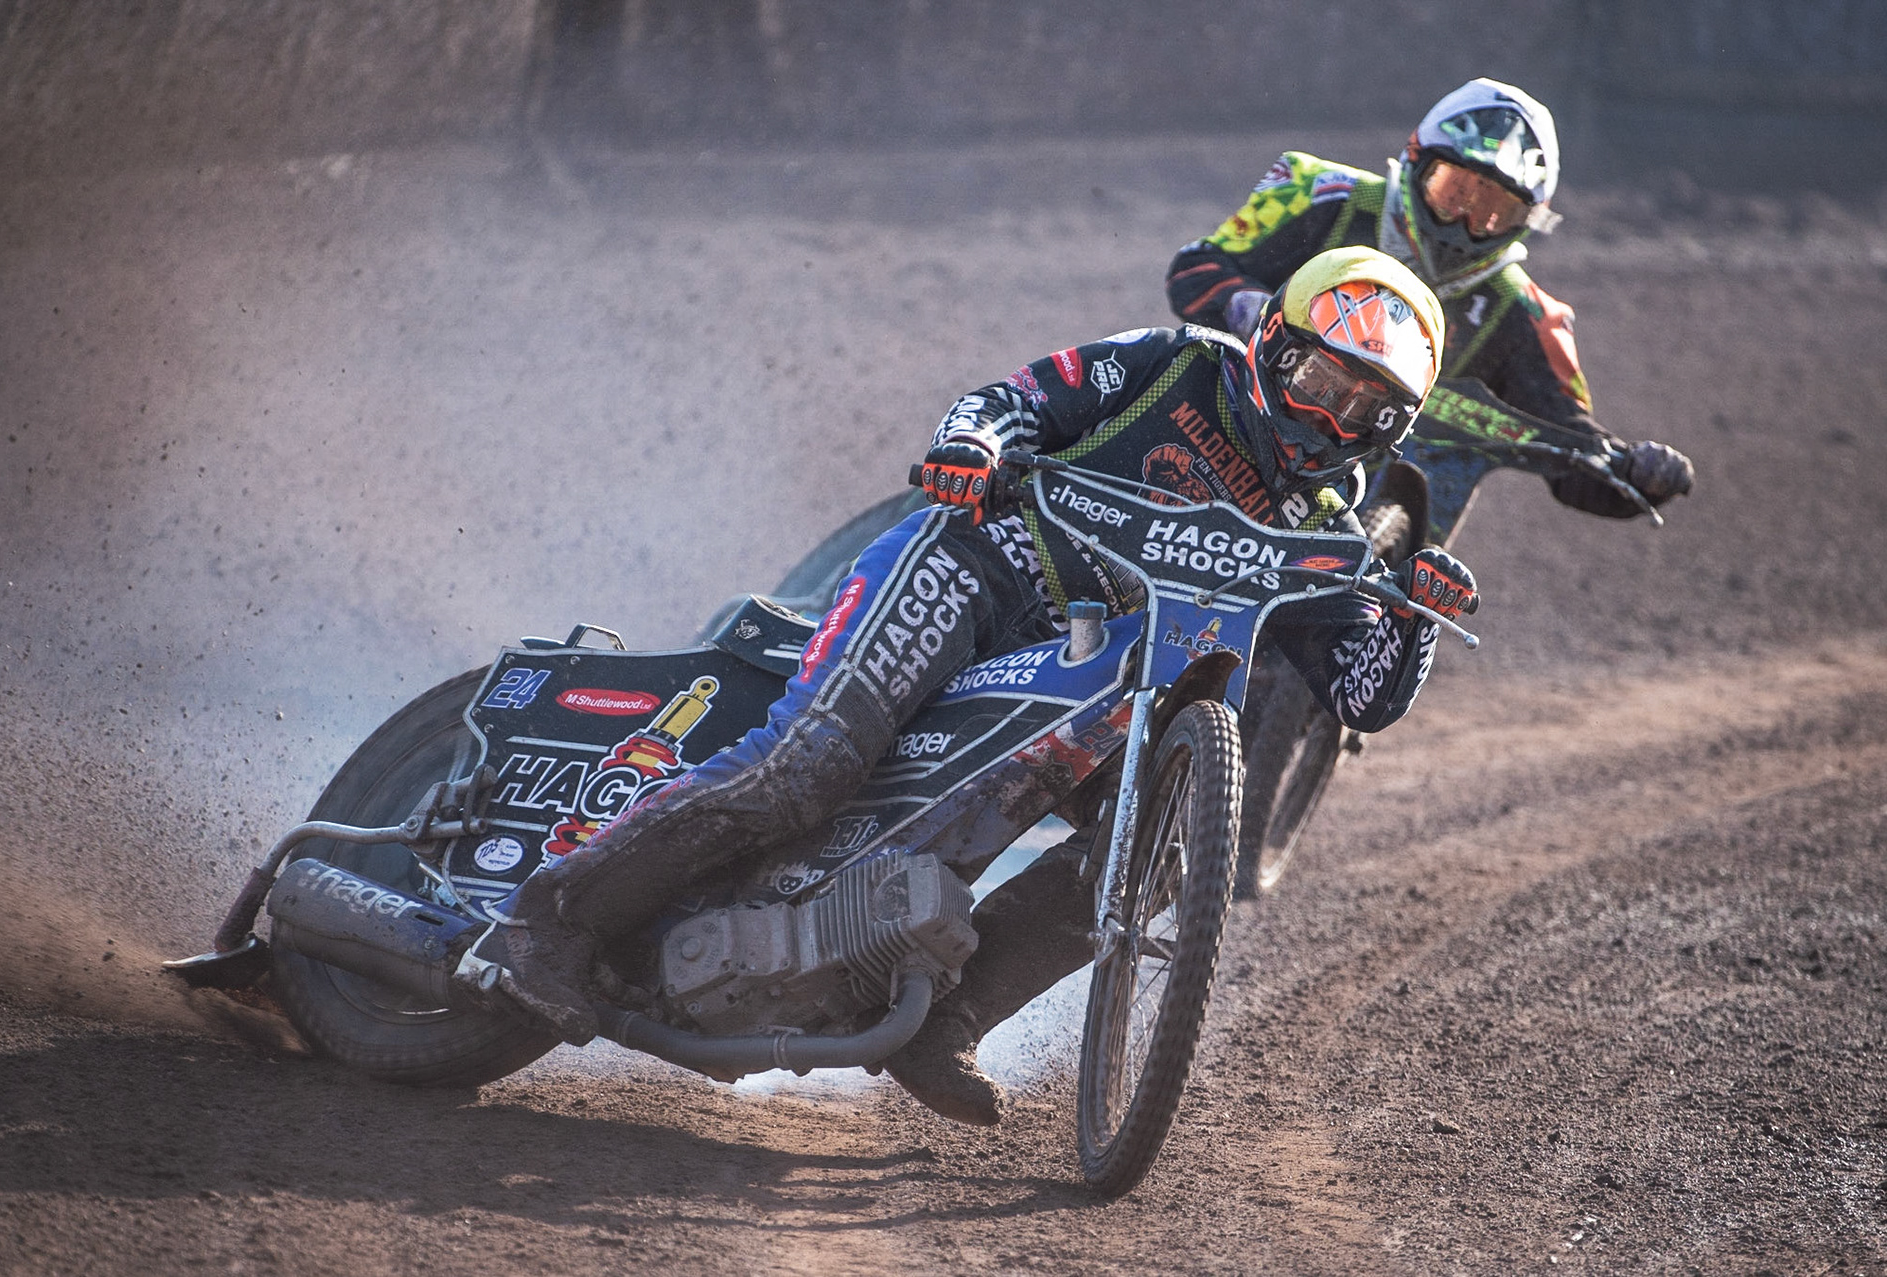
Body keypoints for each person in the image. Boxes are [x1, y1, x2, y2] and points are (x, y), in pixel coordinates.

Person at [471, 247, 1481, 1125]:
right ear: (1274, 347)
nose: (1331, 418)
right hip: (977, 566)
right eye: (1319, 380)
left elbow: (1366, 695)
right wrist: (974, 447)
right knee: (805, 767)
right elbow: (1009, 399)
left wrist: (1411, 612)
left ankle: (946, 1020)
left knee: (1157, 851)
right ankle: (545, 922)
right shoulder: (1178, 362)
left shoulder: (1324, 530)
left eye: (1366, 408)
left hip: (1088, 675)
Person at [1166, 78, 1694, 515]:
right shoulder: (1322, 193)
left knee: (1422, 586)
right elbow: (1195, 269)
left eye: (1493, 212)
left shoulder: (1528, 314)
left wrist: (1640, 474)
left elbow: (1566, 451)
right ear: (1415, 165)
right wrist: (1251, 309)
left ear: (1526, 222)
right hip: (1237, 430)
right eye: (1453, 192)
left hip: (1383, 497)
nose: (1464, 225)